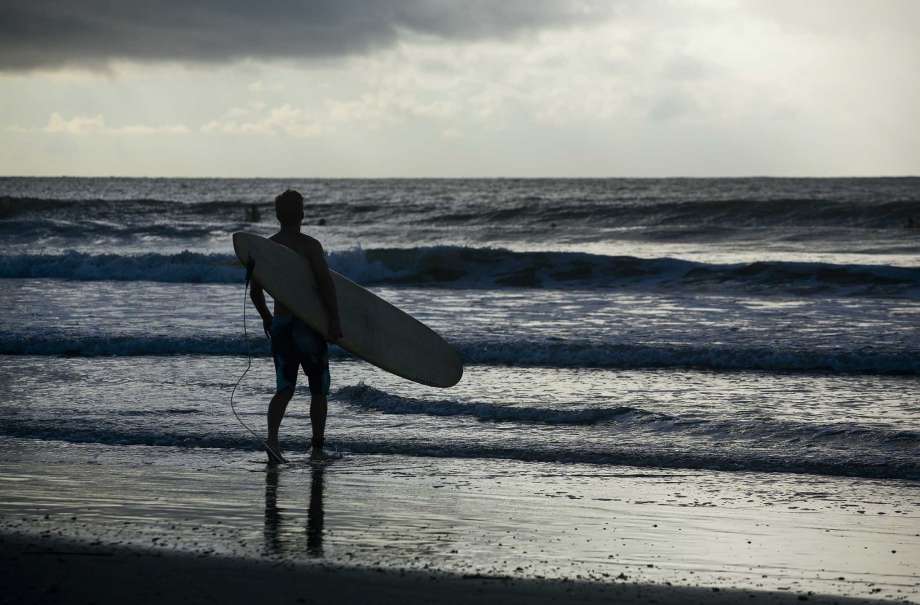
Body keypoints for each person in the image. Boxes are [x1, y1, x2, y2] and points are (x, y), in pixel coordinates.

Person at [249, 189, 343, 463]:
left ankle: (273, 441)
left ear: (278, 216)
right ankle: (316, 448)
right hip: (308, 327)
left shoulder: (267, 248)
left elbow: (256, 291)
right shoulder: (310, 246)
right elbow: (326, 285)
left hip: (281, 325)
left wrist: (267, 317)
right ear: (301, 214)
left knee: (285, 388)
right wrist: (334, 320)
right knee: (318, 389)